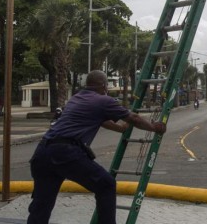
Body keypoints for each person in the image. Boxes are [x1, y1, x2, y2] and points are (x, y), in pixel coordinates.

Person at [27, 70, 167, 224]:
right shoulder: (103, 101)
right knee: (106, 185)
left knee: (42, 203)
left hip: (42, 153)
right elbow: (133, 118)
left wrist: (123, 123)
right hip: (65, 152)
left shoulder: (76, 99)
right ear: (103, 85)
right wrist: (154, 127)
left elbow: (113, 125)